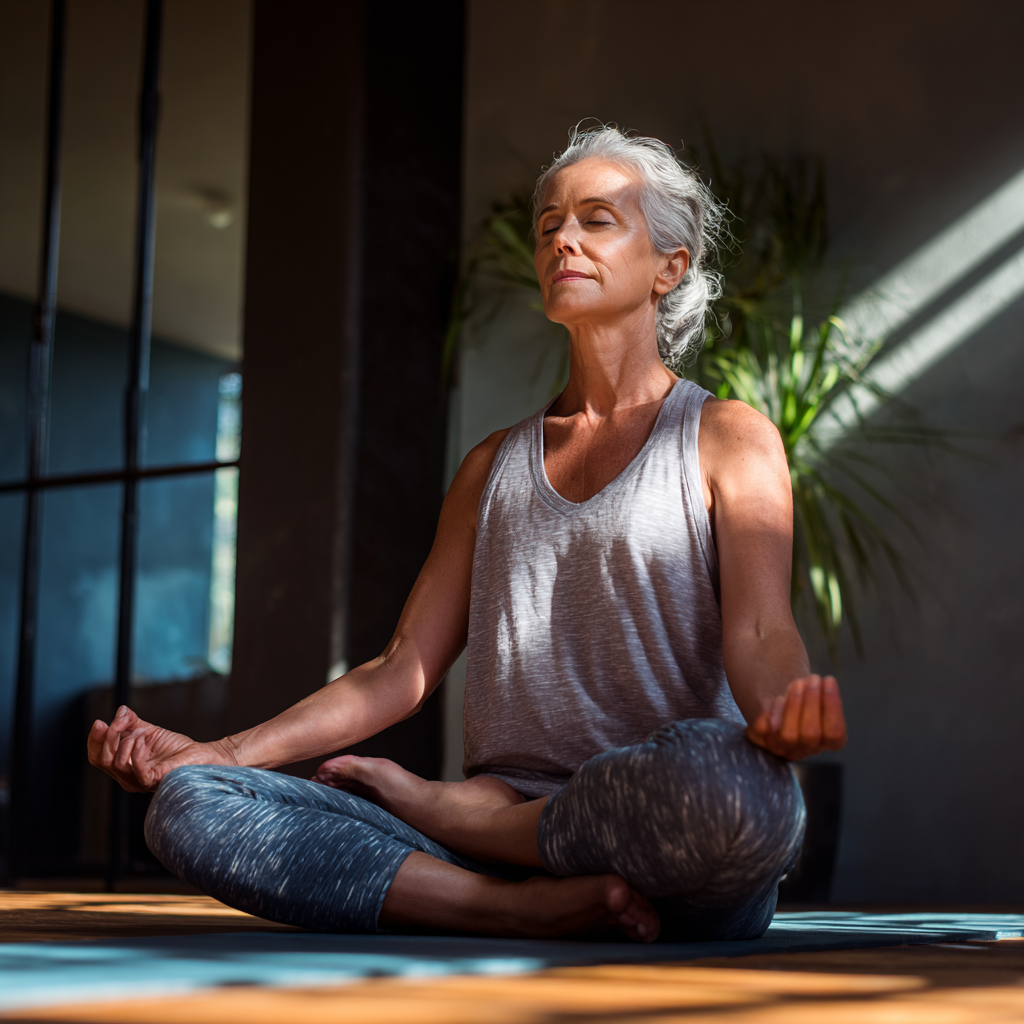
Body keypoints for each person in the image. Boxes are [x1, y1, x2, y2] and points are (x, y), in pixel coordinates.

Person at [88, 126, 846, 944]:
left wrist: (785, 715)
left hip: (667, 823)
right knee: (189, 805)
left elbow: (762, 634)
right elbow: (399, 669)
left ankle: (479, 828)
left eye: (597, 219)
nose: (561, 239)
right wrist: (224, 753)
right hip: (494, 843)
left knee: (741, 792)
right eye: (549, 224)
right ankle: (512, 905)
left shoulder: (727, 436)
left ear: (670, 265)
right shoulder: (491, 468)